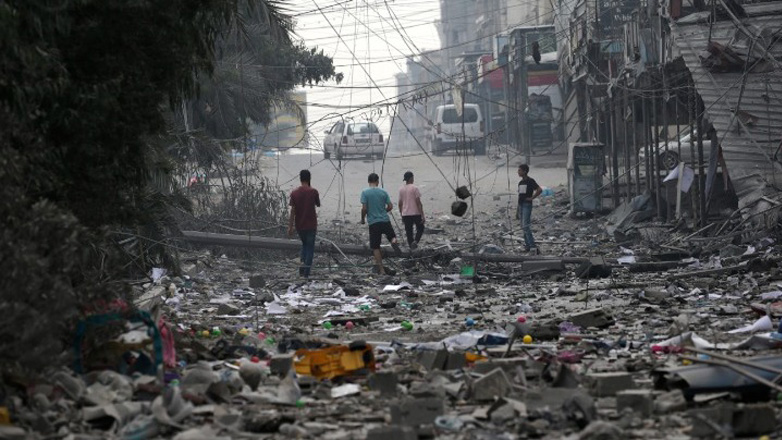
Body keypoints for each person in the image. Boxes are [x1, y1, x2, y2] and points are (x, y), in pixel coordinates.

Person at [360, 173, 401, 275]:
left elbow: (364, 208)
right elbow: (390, 206)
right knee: (392, 236)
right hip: (385, 220)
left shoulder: (365, 192)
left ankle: (382, 270)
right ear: (377, 181)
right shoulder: (383, 192)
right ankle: (394, 241)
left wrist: (362, 219)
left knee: (375, 247)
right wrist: (383, 211)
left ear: (368, 181)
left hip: (374, 223)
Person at [288, 170, 320, 278]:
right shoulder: (313, 191)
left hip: (299, 225)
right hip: (311, 224)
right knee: (309, 247)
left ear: (300, 178)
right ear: (309, 178)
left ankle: (302, 269)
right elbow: (318, 204)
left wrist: (290, 226)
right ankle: (306, 272)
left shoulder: (294, 193)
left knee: (304, 245)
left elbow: (293, 211)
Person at [517, 164, 542, 253]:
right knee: (523, 226)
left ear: (525, 171)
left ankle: (532, 246)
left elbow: (539, 190)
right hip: (521, 205)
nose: (518, 172)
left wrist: (532, 198)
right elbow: (520, 196)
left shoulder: (530, 181)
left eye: (520, 170)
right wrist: (517, 210)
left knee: (526, 226)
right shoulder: (520, 183)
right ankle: (527, 246)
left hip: (527, 205)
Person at [398, 171, 425, 249]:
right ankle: (416, 241)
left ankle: (411, 248)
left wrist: (401, 214)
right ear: (411, 178)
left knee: (409, 232)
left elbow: (400, 204)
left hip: (406, 214)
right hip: (416, 213)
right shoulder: (414, 188)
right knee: (420, 228)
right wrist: (422, 215)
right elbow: (418, 203)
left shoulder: (401, 189)